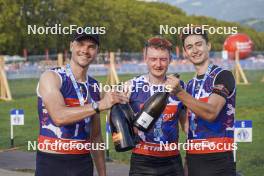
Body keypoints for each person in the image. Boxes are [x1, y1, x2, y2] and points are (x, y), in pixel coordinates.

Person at [35, 31, 128, 176]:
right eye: (80, 44)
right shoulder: (52, 77)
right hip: (51, 163)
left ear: (97, 52)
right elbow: (59, 117)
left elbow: (96, 137)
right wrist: (99, 105)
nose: (85, 50)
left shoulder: (94, 86)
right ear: (71, 46)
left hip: (82, 164)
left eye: (91, 46)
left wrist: (103, 174)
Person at [166, 27, 236, 176]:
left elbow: (211, 112)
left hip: (219, 159)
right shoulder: (190, 85)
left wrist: (179, 92)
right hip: (193, 160)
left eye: (199, 44)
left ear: (208, 46)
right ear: (185, 52)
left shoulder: (223, 76)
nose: (195, 50)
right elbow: (190, 129)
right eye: (189, 47)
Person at [125, 36, 186, 176]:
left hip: (172, 161)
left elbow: (187, 126)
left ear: (170, 60)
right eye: (153, 59)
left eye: (163, 59)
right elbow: (116, 120)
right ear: (145, 58)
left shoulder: (179, 87)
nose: (158, 64)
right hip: (142, 162)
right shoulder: (131, 86)